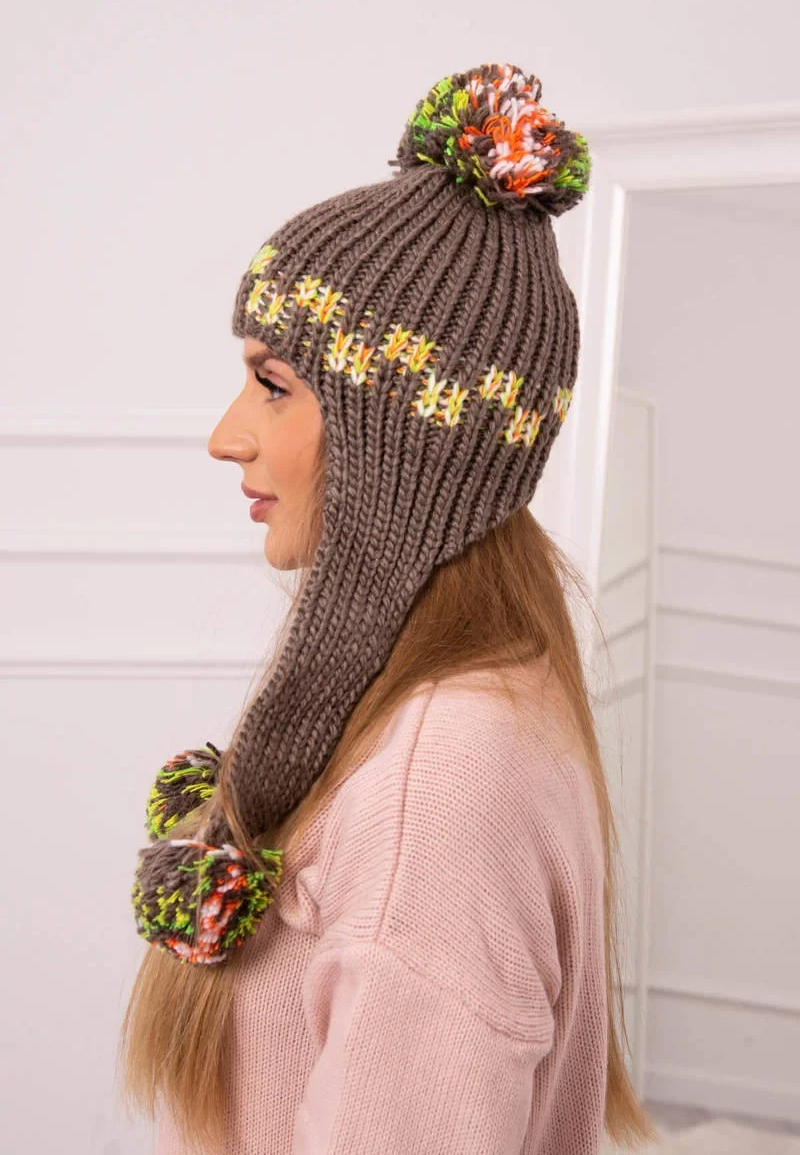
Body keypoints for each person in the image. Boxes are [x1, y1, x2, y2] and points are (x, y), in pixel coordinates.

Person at [117, 60, 660, 1154]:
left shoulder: (436, 784)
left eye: (275, 384)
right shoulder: (453, 705)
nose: (227, 435)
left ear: (402, 443)